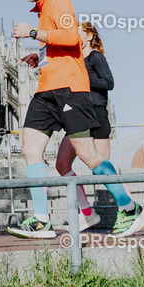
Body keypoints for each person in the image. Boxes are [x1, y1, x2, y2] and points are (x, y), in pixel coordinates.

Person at [9, 0, 144, 240]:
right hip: (46, 90)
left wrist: (32, 33)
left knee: (88, 153)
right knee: (30, 148)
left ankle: (129, 206)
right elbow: (60, 45)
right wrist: (41, 56)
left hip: (70, 90)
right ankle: (41, 219)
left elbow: (72, 37)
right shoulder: (43, 9)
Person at [55, 22, 114, 229]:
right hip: (78, 116)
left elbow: (109, 82)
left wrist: (83, 77)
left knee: (100, 168)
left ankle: (129, 208)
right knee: (62, 164)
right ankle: (87, 212)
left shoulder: (96, 57)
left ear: (89, 36)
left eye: (78, 32)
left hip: (97, 114)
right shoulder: (75, 61)